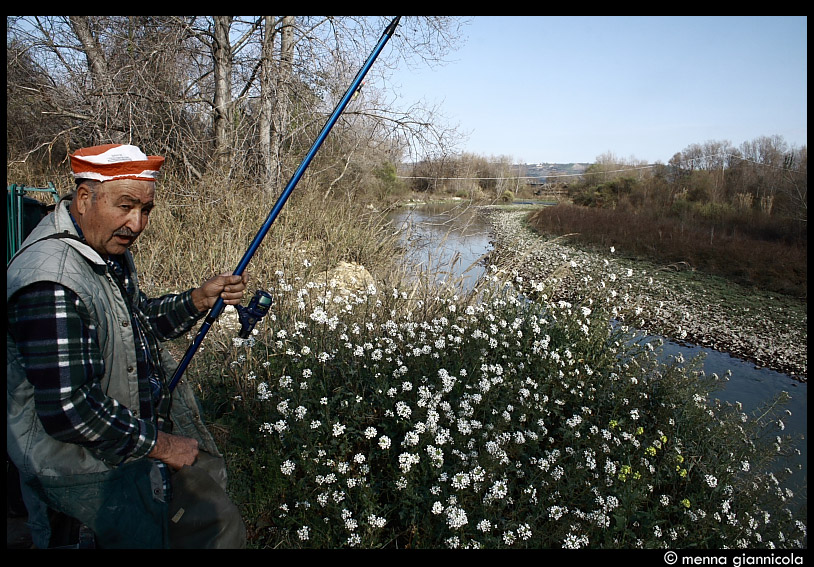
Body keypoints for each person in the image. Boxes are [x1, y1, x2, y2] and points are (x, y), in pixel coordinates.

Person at [7, 143, 248, 549]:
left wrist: (198, 300)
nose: (136, 224)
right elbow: (69, 410)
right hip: (83, 472)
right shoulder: (51, 279)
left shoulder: (103, 251)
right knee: (217, 528)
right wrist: (161, 445)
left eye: (146, 210)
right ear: (84, 199)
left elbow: (135, 322)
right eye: (125, 206)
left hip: (125, 445)